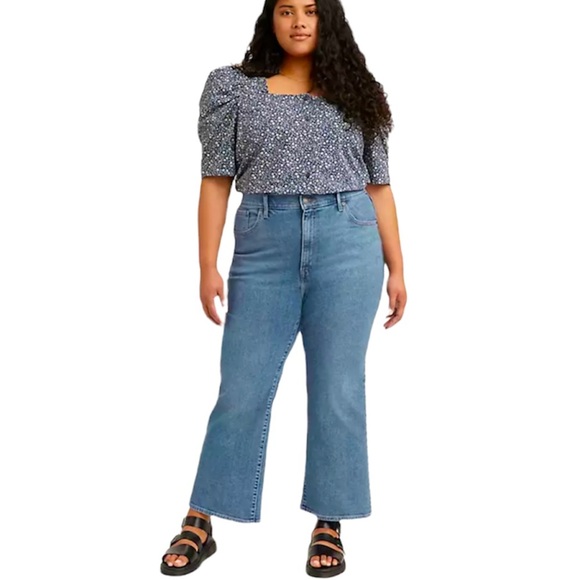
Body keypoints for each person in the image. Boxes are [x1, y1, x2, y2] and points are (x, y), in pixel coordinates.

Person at [160, 0, 406, 576]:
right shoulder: (232, 88)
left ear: (327, 20)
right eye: (287, 10)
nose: (299, 22)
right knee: (241, 387)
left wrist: (397, 266)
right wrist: (206, 265)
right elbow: (215, 180)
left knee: (338, 389)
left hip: (349, 240)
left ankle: (330, 522)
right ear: (270, 20)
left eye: (311, 11)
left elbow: (380, 185)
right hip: (264, 242)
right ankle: (202, 517)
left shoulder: (359, 91)